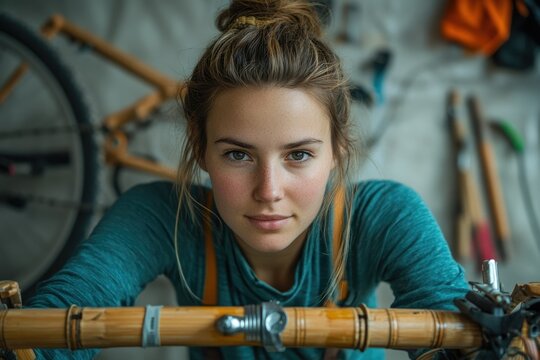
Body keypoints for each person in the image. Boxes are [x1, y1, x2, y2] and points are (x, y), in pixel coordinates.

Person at [26, 0, 469, 359]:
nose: (269, 191)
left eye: (298, 155)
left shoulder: (383, 218)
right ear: (200, 146)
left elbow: (459, 331)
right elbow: (55, 323)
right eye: (238, 154)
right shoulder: (162, 217)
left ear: (336, 150)